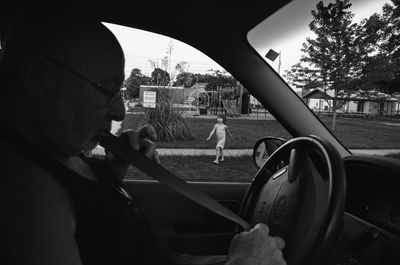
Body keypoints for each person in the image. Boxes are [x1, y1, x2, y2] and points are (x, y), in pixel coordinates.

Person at [0, 15, 286, 265]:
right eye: (107, 90)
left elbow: (103, 236)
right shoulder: (24, 194)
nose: (120, 110)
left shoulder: (56, 151)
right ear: (37, 78)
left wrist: (110, 173)